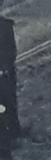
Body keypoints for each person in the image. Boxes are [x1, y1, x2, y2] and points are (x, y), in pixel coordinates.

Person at [0, 7, 19, 141]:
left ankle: (13, 132)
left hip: (4, 72)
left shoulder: (5, 25)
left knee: (8, 101)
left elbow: (11, 51)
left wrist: (4, 68)